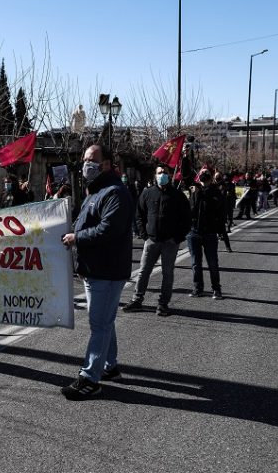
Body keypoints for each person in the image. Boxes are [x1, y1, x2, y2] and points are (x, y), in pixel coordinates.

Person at [60, 145, 133, 400]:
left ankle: (90, 379)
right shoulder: (97, 191)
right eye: (84, 160)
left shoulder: (115, 193)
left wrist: (76, 238)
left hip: (107, 271)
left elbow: (107, 230)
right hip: (97, 270)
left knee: (98, 324)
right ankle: (109, 367)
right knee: (104, 321)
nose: (85, 164)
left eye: (91, 160)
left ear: (106, 164)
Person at [122, 164, 190, 316]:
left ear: (170, 175)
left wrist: (177, 238)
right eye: (159, 173)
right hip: (151, 241)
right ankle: (137, 300)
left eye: (165, 173)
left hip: (170, 243)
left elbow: (186, 219)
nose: (162, 175)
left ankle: (163, 304)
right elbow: (139, 215)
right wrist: (144, 235)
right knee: (143, 272)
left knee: (167, 274)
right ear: (155, 175)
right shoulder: (147, 193)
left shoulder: (178, 196)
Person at [186, 170, 226, 299]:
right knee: (195, 263)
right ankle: (198, 288)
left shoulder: (215, 191)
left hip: (209, 232)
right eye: (201, 172)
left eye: (206, 172)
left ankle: (216, 289)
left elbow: (218, 208)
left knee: (212, 263)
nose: (204, 174)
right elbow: (192, 208)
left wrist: (220, 230)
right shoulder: (194, 190)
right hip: (194, 231)